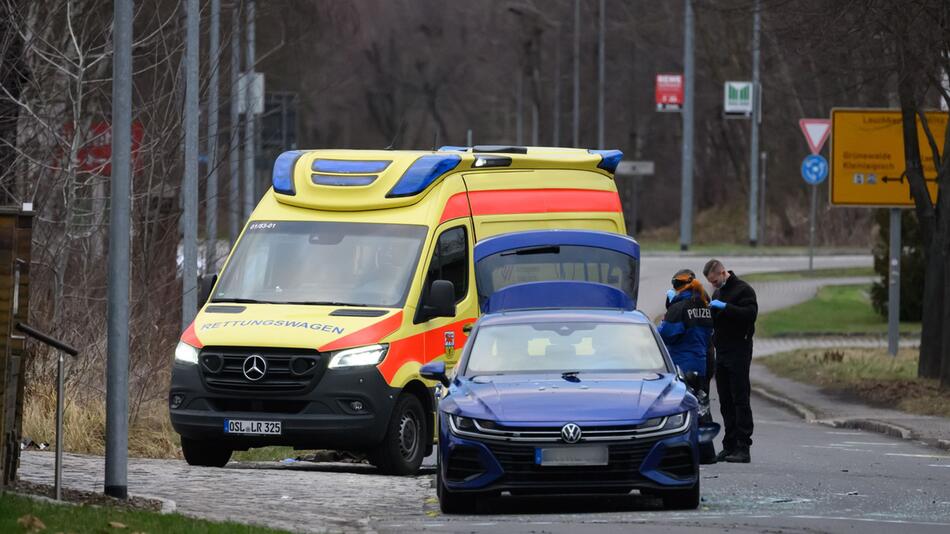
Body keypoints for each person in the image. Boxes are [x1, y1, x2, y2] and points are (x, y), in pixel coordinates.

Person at [703, 259, 758, 464]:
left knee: (740, 398)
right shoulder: (718, 293)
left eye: (715, 281)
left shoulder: (743, 290)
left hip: (739, 350)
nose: (713, 286)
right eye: (710, 283)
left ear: (723, 273)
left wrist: (726, 307)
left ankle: (743, 446)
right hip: (722, 351)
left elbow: (750, 315)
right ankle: (730, 444)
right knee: (725, 400)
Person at [657, 269, 714, 392]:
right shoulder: (706, 305)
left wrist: (662, 323)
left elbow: (665, 335)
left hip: (683, 366)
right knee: (701, 406)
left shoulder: (679, 307)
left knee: (685, 406)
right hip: (702, 365)